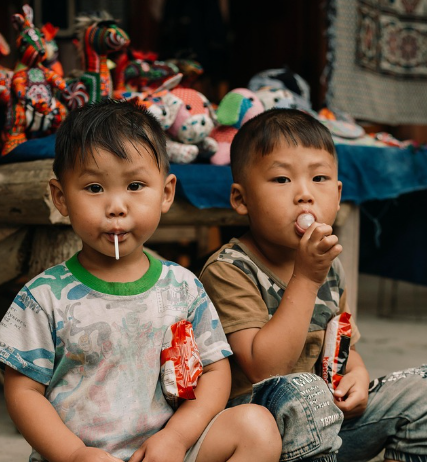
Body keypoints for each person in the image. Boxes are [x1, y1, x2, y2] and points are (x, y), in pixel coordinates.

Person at [0, 100, 282, 462]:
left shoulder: (182, 288)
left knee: (256, 427)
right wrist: (74, 454)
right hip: (79, 458)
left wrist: (176, 438)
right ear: (61, 197)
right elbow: (23, 392)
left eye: (135, 185)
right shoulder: (43, 297)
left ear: (166, 193)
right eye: (94, 188)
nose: (117, 206)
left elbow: (214, 372)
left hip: (168, 452)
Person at [199, 108, 427, 462]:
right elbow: (265, 369)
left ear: (338, 193)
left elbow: (341, 343)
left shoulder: (328, 265)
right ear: (242, 199)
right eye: (281, 179)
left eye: (319, 178)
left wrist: (357, 374)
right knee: (303, 391)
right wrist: (306, 279)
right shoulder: (229, 270)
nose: (305, 195)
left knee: (423, 390)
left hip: (329, 425)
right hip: (263, 432)